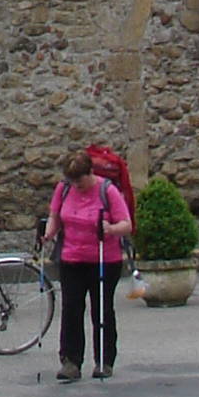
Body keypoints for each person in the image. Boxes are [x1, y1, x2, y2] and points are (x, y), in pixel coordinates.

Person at [44, 147, 133, 382]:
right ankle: (71, 361)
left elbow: (126, 223)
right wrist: (49, 232)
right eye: (72, 182)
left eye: (80, 182)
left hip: (104, 259)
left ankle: (104, 360)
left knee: (101, 309)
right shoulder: (63, 189)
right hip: (71, 257)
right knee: (71, 309)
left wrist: (111, 229)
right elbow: (55, 215)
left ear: (89, 173)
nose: (77, 187)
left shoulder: (107, 191)